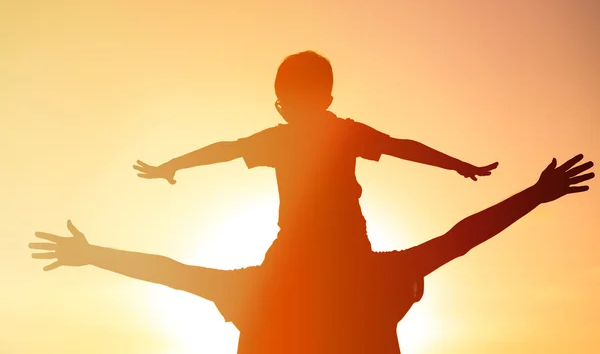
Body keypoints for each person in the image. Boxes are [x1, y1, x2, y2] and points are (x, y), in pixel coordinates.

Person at [30, 154, 594, 353]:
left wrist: (92, 254)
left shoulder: (257, 289)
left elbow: (172, 272)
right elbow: (461, 237)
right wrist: (535, 195)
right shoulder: (379, 276)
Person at [133, 51, 498, 268]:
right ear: (328, 98)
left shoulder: (283, 138)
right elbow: (401, 146)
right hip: (342, 247)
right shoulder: (345, 132)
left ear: (285, 101)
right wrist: (457, 164)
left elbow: (226, 149)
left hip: (302, 249)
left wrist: (173, 165)